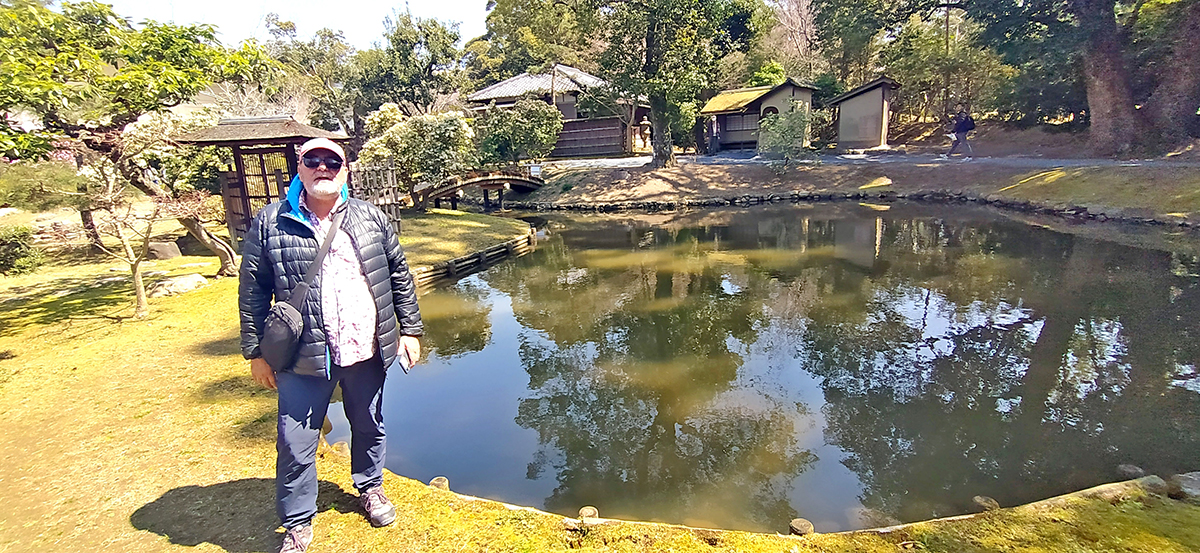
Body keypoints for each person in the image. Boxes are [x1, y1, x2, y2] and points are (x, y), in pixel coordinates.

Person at [238, 137, 423, 553]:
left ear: (345, 170)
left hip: (365, 348)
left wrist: (410, 330)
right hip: (302, 355)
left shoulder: (371, 217)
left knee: (369, 423)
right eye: (313, 160)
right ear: (300, 168)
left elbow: (399, 275)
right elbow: (252, 291)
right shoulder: (271, 222)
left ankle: (370, 487)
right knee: (295, 441)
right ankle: (297, 521)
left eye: (332, 161)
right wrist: (255, 352)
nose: (323, 167)